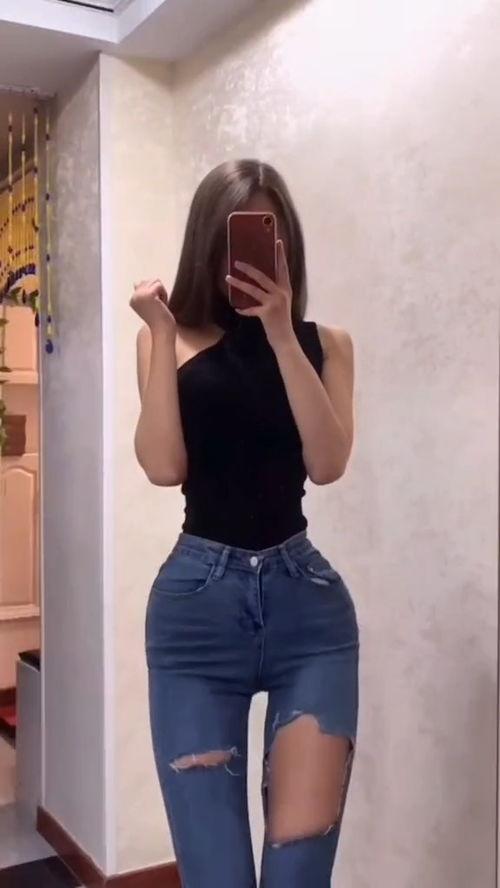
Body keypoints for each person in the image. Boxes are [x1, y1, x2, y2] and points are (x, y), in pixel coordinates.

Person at [131, 159, 359, 888]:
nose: (255, 256)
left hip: (310, 620)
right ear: (208, 243)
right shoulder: (169, 340)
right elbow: (163, 465)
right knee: (217, 877)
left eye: (270, 236)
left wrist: (283, 334)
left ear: (287, 244)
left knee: (299, 873)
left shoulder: (328, 345)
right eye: (236, 237)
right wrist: (161, 331)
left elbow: (327, 463)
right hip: (196, 616)